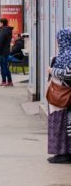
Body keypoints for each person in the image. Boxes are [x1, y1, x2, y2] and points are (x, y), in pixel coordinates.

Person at [47, 29, 71, 164]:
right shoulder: (64, 54)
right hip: (60, 93)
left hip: (63, 94)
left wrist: (52, 70)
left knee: (62, 124)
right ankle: (61, 153)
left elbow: (68, 74)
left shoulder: (68, 54)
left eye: (59, 39)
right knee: (61, 124)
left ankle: (64, 153)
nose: (57, 42)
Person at [0, 18, 14, 87]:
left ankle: (4, 81)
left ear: (2, 23)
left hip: (2, 51)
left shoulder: (3, 31)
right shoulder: (8, 30)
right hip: (6, 51)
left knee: (3, 67)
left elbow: (0, 43)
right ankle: (9, 81)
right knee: (5, 66)